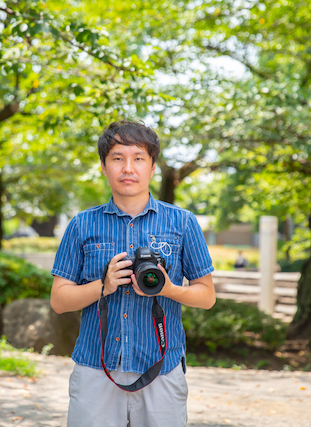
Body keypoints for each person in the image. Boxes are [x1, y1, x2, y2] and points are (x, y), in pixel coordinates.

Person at [50, 120, 215, 427]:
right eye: (117, 158)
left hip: (162, 369)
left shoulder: (183, 223)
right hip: (95, 370)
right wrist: (104, 284)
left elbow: (206, 296)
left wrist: (167, 289)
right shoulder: (81, 225)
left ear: (153, 167)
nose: (128, 168)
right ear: (103, 166)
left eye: (138, 158)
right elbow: (59, 301)